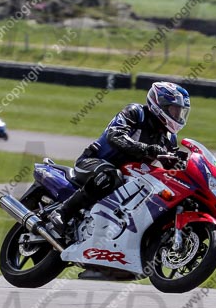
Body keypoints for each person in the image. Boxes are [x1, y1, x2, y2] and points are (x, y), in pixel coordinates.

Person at [48, 81, 190, 236]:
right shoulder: (135, 113)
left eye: (180, 112)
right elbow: (115, 136)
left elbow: (169, 164)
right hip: (93, 161)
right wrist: (147, 149)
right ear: (159, 104)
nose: (177, 116)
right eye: (174, 110)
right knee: (112, 175)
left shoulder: (169, 137)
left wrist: (181, 164)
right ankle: (61, 213)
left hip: (129, 175)